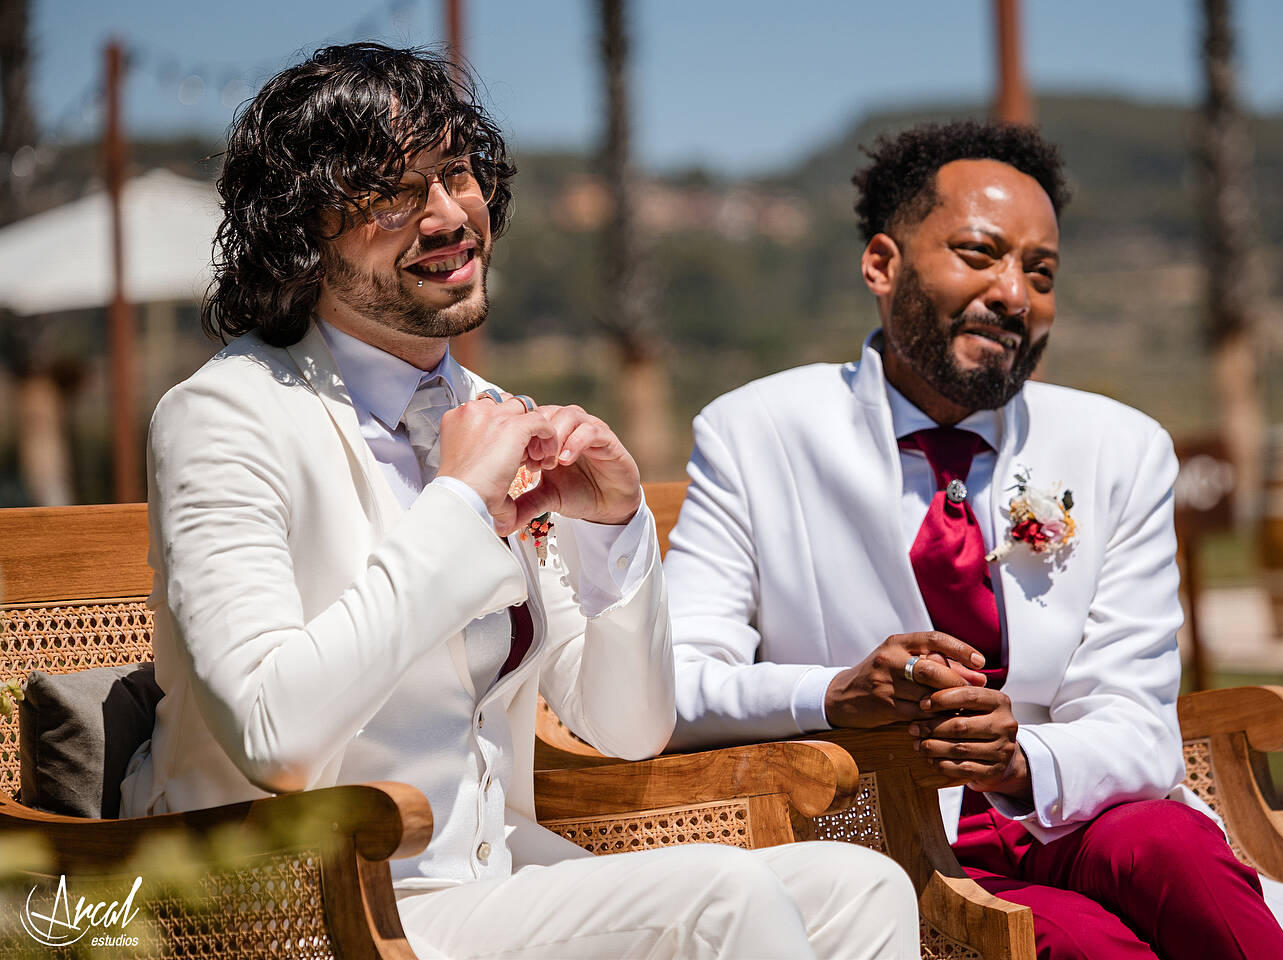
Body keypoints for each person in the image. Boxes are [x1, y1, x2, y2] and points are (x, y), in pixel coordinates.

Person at [119, 43, 919, 960]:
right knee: (721, 897)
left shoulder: (490, 417)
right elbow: (275, 736)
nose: (449, 215)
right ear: (302, 232)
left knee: (860, 887)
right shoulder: (226, 416)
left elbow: (626, 728)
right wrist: (458, 506)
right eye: (391, 193)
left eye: (456, 171)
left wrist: (614, 533)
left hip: (496, 884)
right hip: (305, 904)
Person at [664, 120, 1283, 960]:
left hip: (1069, 804)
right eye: (979, 254)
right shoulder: (754, 434)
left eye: (1040, 272)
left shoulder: (1120, 447)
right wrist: (833, 694)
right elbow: (676, 685)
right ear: (882, 264)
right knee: (1087, 945)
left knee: (1182, 853)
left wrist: (1018, 760)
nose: (1014, 293)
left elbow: (1137, 724)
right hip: (882, 836)